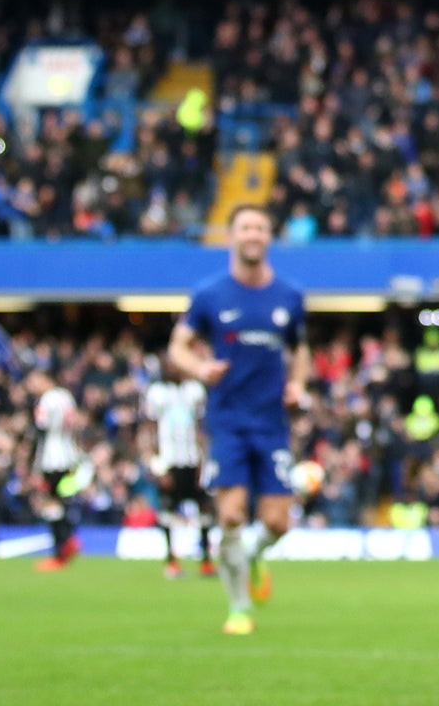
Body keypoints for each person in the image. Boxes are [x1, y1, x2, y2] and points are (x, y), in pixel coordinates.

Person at [167, 204, 309, 635]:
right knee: (229, 516)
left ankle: (250, 555)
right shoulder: (209, 294)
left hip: (271, 422)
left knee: (276, 522)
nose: (253, 234)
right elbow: (178, 346)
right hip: (227, 420)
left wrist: (299, 384)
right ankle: (239, 607)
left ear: (269, 237)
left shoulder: (289, 295)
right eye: (245, 227)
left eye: (260, 228)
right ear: (231, 236)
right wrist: (198, 369)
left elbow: (299, 349)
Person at [143, 361, 211, 579]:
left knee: (204, 509)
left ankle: (206, 560)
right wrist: (158, 466)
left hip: (192, 459)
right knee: (168, 512)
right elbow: (151, 432)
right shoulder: (156, 393)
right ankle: (171, 561)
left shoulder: (194, 391)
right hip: (170, 461)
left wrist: (204, 462)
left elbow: (201, 429)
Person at [29, 368, 84, 570]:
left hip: (51, 458)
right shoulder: (66, 396)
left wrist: (32, 463)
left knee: (50, 503)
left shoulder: (47, 400)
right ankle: (67, 542)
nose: (32, 386)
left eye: (35, 381)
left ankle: (60, 548)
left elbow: (41, 432)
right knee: (59, 501)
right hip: (69, 454)